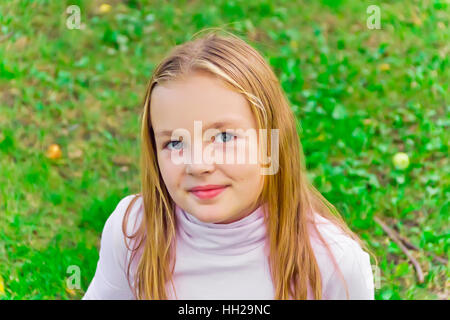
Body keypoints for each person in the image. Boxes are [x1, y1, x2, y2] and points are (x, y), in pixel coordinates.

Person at [82, 31, 376, 300]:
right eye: (174, 143)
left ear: (271, 142)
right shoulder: (133, 231)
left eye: (223, 137)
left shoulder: (333, 262)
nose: (198, 165)